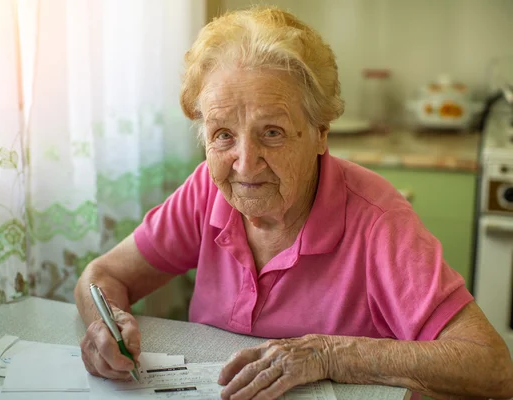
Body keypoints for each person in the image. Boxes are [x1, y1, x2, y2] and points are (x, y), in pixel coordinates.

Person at [75, 6, 513, 400]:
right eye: (223, 134)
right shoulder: (207, 190)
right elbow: (103, 276)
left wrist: (328, 354)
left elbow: (492, 367)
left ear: (321, 132)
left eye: (272, 132)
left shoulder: (377, 220)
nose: (245, 165)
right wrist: (105, 323)